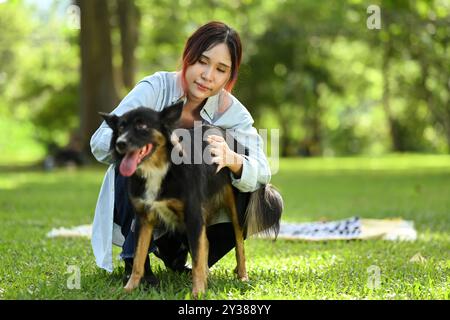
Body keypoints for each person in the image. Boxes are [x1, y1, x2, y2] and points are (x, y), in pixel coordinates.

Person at [90, 21, 271, 287]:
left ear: (229, 76)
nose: (208, 75)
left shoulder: (232, 112)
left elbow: (263, 168)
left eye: (221, 69)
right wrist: (145, 145)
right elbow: (100, 141)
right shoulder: (156, 87)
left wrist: (233, 159)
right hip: (143, 198)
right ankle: (136, 260)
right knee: (131, 160)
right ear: (188, 56)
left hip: (192, 204)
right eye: (202, 61)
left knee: (266, 200)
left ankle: (181, 252)